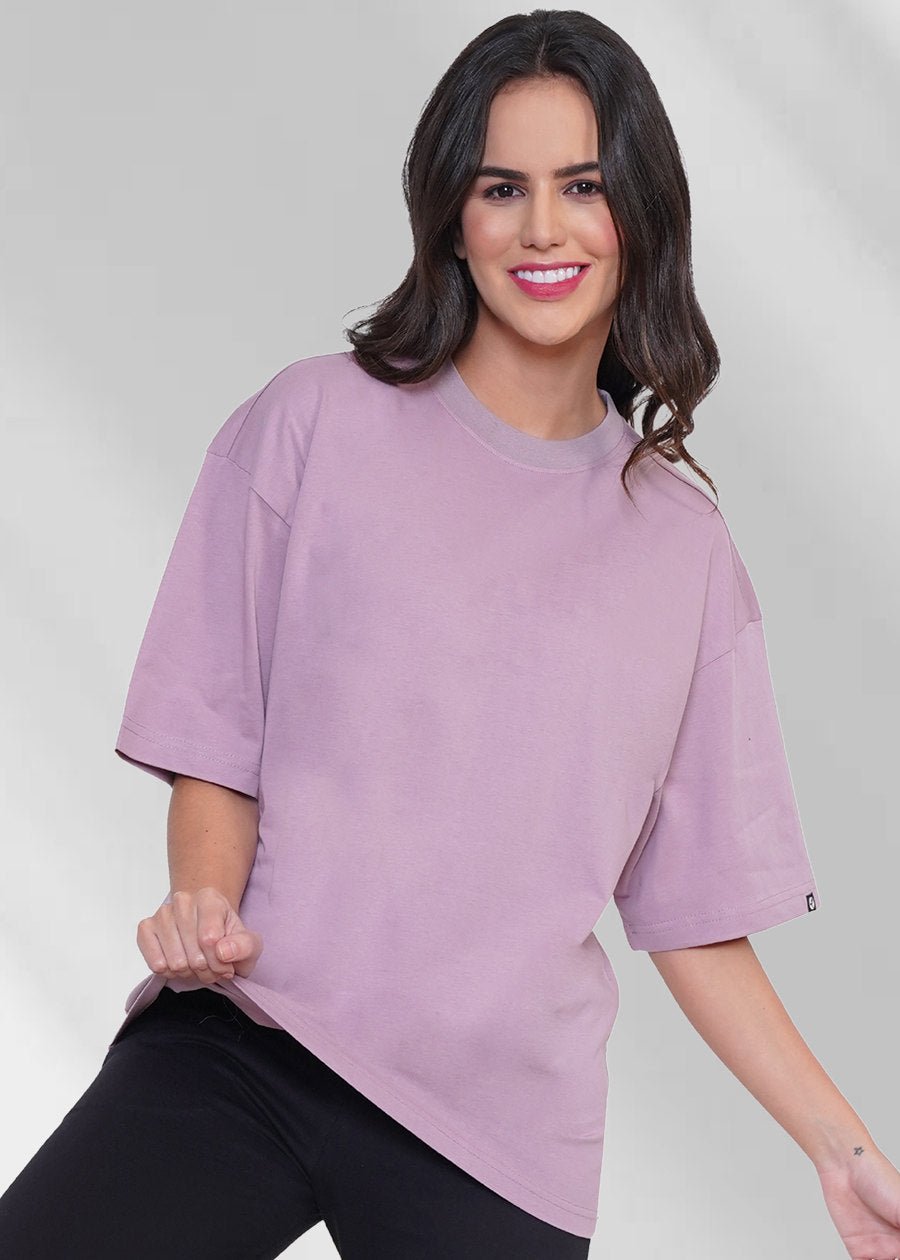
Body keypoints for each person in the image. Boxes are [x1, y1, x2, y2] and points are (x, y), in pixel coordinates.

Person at [2, 9, 898, 1259]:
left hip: (497, 1133)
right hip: (255, 1039)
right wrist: (202, 894)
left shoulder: (686, 555)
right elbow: (217, 735)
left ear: (640, 212)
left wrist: (843, 1149)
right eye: (502, 188)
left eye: (584, 186)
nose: (543, 229)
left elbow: (693, 910)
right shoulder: (311, 424)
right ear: (452, 216)